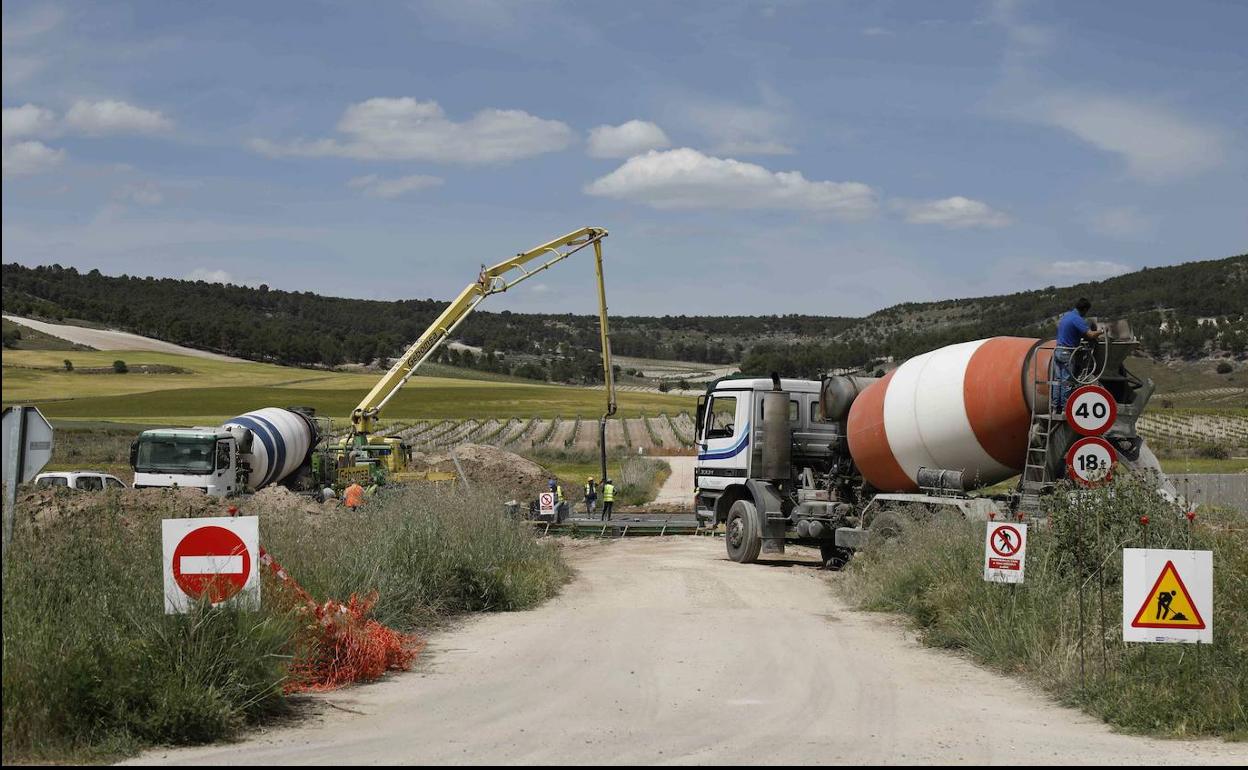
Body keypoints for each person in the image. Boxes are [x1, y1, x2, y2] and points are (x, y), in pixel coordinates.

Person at [1052, 297, 1104, 413]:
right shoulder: (1077, 319)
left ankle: (1055, 408)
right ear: (1085, 309)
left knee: (1057, 381)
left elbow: (1076, 333)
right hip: (1067, 353)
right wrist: (1102, 331)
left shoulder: (1066, 316)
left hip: (1058, 350)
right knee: (1067, 381)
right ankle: (1066, 409)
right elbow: (1090, 335)